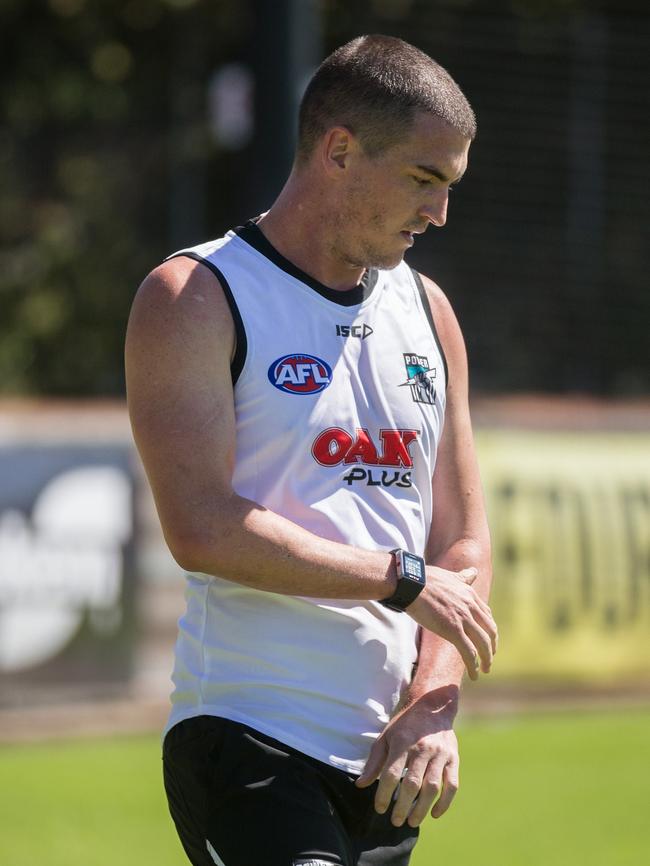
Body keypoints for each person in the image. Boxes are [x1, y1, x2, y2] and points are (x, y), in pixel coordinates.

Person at [126, 34, 497, 866]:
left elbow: (462, 546)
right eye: (424, 179)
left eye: (450, 186)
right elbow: (202, 528)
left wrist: (435, 700)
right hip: (249, 735)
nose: (439, 213)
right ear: (338, 151)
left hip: (388, 765)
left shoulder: (429, 312)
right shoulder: (196, 294)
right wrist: (402, 580)